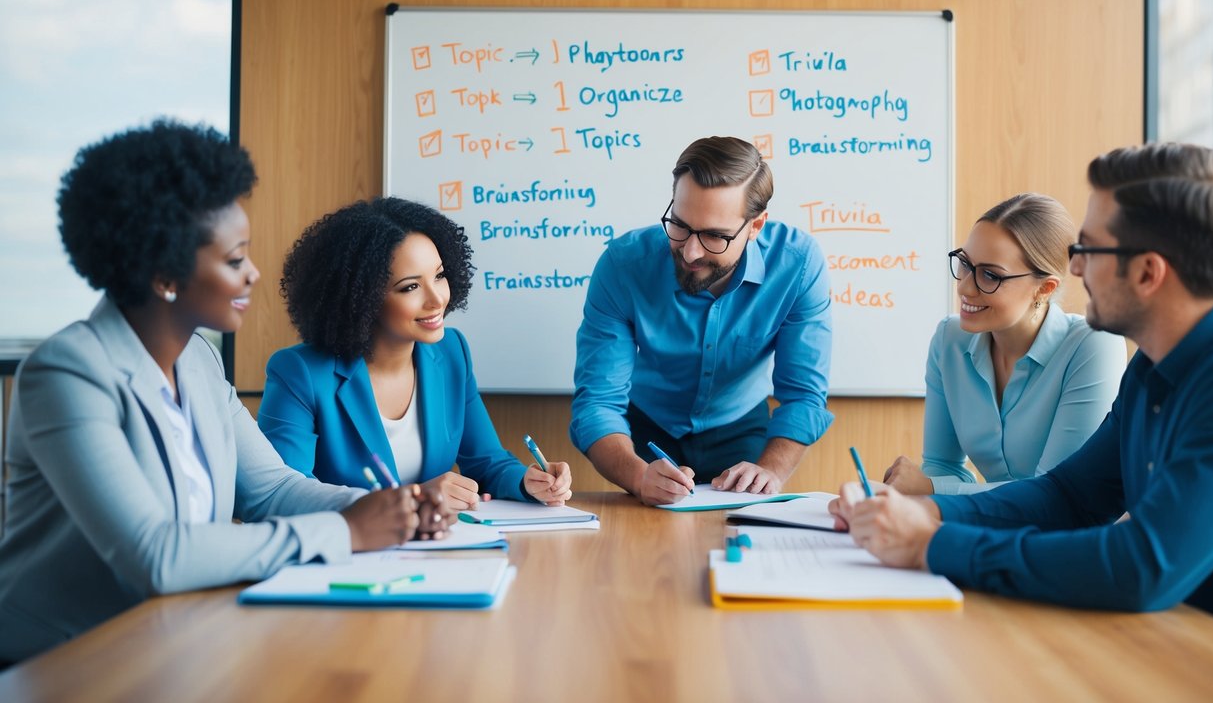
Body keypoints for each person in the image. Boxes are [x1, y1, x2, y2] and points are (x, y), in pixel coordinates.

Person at [831, 142, 1213, 665]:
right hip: (1196, 647)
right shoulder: (1154, 367)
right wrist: (925, 511)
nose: (1073, 270)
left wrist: (931, 545)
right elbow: (1069, 497)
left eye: (1088, 251)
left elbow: (1143, 565)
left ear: (1147, 272)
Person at [0, 121, 430, 665]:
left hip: (175, 644)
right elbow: (156, 554)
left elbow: (272, 491)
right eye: (233, 260)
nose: (253, 273)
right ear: (164, 275)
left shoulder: (199, 362)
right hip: (65, 662)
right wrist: (345, 530)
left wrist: (393, 508)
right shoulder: (66, 374)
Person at [258, 198, 572, 510]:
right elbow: (282, 495)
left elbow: (487, 462)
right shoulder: (300, 372)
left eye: (439, 275)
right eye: (410, 287)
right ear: (362, 298)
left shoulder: (451, 352)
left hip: (439, 551)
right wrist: (415, 499)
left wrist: (528, 482)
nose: (437, 299)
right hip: (348, 553)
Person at [570, 136, 833, 505]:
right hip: (644, 428)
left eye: (715, 236)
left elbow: (803, 395)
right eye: (679, 225)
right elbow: (597, 403)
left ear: (755, 226)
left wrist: (771, 471)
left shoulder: (798, 265)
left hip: (741, 425)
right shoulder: (623, 266)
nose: (691, 252)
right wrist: (638, 475)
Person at [884, 194, 1126, 495]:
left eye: (990, 275)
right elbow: (943, 468)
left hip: (1072, 537)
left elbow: (1057, 497)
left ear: (1044, 288)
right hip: (991, 529)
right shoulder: (950, 340)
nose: (964, 287)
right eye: (964, 264)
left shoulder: (1093, 345)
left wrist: (931, 490)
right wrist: (922, 489)